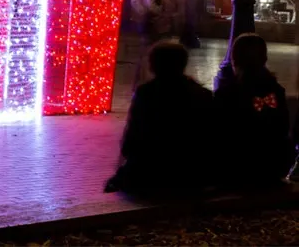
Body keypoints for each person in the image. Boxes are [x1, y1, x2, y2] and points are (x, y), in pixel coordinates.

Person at [105, 40, 214, 196]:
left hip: (150, 172)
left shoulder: (146, 94)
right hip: (191, 172)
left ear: (153, 65)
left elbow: (132, 139)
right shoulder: (202, 94)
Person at [214, 33, 294, 188]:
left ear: (234, 59)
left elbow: (219, 133)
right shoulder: (277, 91)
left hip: (237, 168)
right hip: (273, 166)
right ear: (264, 59)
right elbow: (283, 127)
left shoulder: (227, 94)